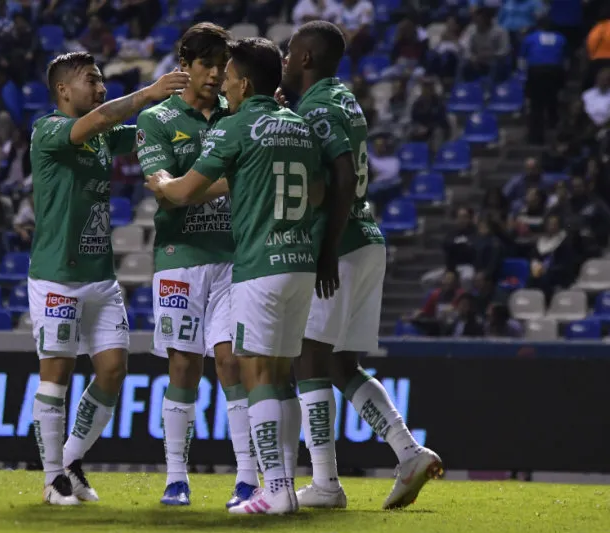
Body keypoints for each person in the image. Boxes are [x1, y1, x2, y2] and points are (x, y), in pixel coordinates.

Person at [146, 37, 324, 516]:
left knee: (255, 373)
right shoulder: (299, 124)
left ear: (244, 83)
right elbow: (322, 190)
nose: (223, 83)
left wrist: (163, 182)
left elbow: (182, 192)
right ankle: (279, 484)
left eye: (228, 76)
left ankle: (273, 488)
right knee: (282, 374)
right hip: (301, 263)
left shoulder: (235, 126)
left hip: (256, 265)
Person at [282, 20, 442, 511]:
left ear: (306, 58)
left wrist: (326, 248)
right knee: (339, 362)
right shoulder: (340, 97)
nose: (286, 61)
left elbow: (344, 176)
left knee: (308, 355)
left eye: (290, 53)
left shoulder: (321, 105)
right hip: (367, 238)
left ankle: (326, 483)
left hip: (342, 244)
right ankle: (407, 451)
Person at [28, 52, 188, 506]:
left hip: (100, 277)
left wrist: (187, 102)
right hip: (57, 277)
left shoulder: (100, 137)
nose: (100, 88)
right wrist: (148, 92)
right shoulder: (49, 130)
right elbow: (100, 119)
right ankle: (51, 478)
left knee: (114, 370)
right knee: (56, 375)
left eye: (101, 81)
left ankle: (71, 461)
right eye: (91, 80)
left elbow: (142, 131)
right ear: (63, 89)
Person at [135, 23, 255, 508]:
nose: (214, 73)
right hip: (179, 257)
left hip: (232, 255)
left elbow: (173, 190)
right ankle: (176, 477)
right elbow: (165, 197)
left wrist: (182, 187)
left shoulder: (238, 112)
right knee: (184, 365)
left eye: (221, 65)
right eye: (206, 63)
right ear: (185, 65)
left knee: (231, 362)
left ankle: (246, 477)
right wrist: (224, 180)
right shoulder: (158, 118)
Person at [521, 20, 567, 144]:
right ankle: (555, 133)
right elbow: (564, 58)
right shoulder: (560, 38)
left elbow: (523, 57)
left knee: (536, 106)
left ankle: (535, 138)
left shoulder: (530, 38)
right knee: (553, 103)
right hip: (555, 71)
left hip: (536, 71)